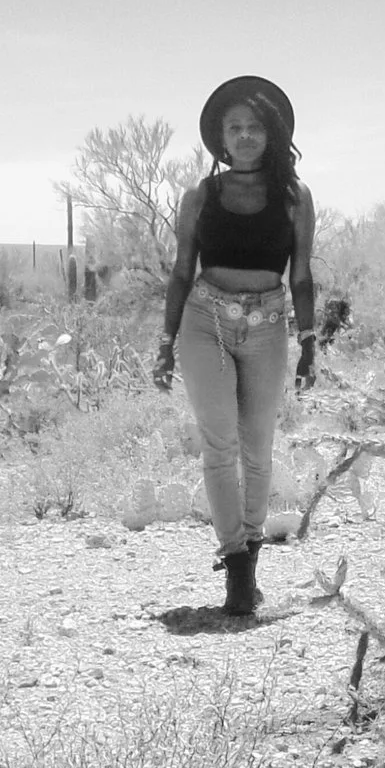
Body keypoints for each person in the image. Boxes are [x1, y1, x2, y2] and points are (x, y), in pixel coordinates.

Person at [153, 76, 318, 616]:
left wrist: (310, 344)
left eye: (254, 127)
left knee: (258, 446)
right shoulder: (201, 197)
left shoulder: (294, 197)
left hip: (269, 327)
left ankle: (250, 545)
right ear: (220, 138)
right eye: (234, 128)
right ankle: (236, 570)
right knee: (219, 444)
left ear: (272, 134)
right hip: (207, 324)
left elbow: (301, 277)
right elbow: (181, 272)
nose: (245, 136)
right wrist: (164, 342)